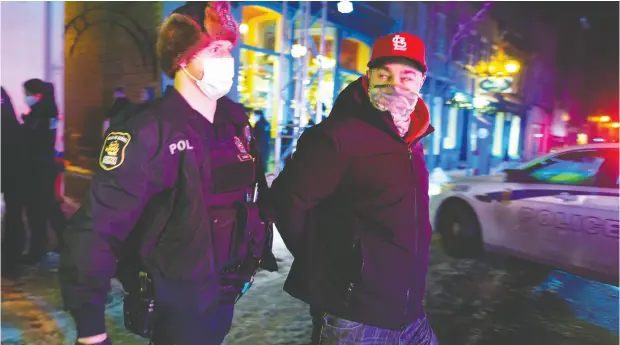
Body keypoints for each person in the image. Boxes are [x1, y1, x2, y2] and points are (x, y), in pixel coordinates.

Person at [59, 2, 276, 345]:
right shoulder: (147, 131)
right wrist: (90, 330)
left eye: (229, 50)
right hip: (174, 301)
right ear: (183, 57)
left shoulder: (234, 121)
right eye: (216, 49)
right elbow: (96, 229)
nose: (228, 60)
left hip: (224, 293)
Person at [270, 32, 439, 344]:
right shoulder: (338, 136)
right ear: (368, 76)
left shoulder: (413, 140)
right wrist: (332, 265)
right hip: (354, 318)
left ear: (422, 80)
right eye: (384, 74)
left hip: (409, 311)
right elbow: (286, 201)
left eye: (407, 76)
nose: (395, 84)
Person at [21, 79, 66, 264]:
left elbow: (32, 138)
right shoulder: (48, 111)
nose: (26, 97)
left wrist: (25, 124)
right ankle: (65, 243)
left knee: (37, 211)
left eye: (27, 93)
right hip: (44, 167)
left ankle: (38, 250)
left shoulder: (42, 113)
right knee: (49, 209)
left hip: (38, 168)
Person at [1, 87, 28, 278]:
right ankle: (12, 258)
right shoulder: (10, 119)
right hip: (15, 174)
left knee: (14, 215)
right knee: (14, 215)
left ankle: (10, 258)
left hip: (11, 172)